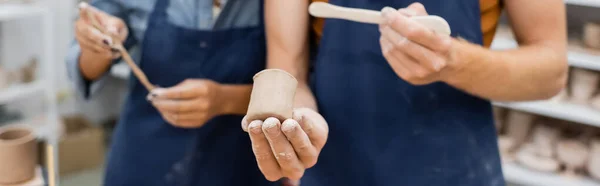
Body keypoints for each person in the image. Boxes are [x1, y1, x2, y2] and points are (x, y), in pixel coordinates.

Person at [243, 0, 567, 185]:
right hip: (333, 167)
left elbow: (551, 70)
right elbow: (290, 70)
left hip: (454, 168)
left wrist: (453, 61)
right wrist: (298, 123)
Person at [66, 0, 280, 185]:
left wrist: (226, 100)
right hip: (144, 158)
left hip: (240, 164)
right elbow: (86, 71)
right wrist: (97, 45)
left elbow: (294, 91)